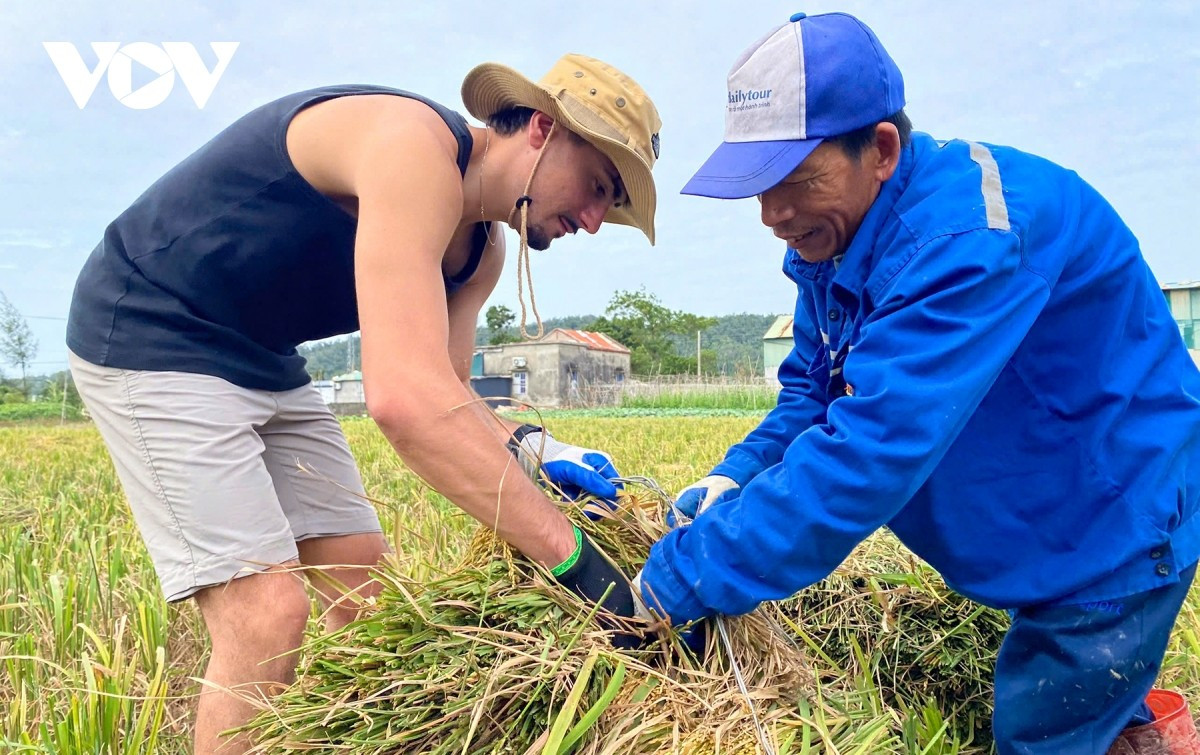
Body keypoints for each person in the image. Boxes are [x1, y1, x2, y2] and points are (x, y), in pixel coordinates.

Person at [634, 12, 1200, 754]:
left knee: (1048, 724)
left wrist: (680, 577)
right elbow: (815, 394)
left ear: (881, 150)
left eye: (795, 181)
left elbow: (869, 452)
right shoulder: (836, 245)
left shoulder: (966, 241)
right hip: (1043, 517)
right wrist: (733, 477)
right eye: (758, 187)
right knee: (1097, 715)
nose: (773, 215)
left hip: (1113, 524)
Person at [66, 54, 660, 754]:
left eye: (610, 206)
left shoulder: (481, 253)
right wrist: (573, 561)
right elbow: (406, 401)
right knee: (265, 616)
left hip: (260, 349)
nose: (594, 221)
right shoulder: (413, 148)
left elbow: (448, 390)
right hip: (152, 324)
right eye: (598, 187)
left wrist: (536, 450)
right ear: (540, 128)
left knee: (368, 591)